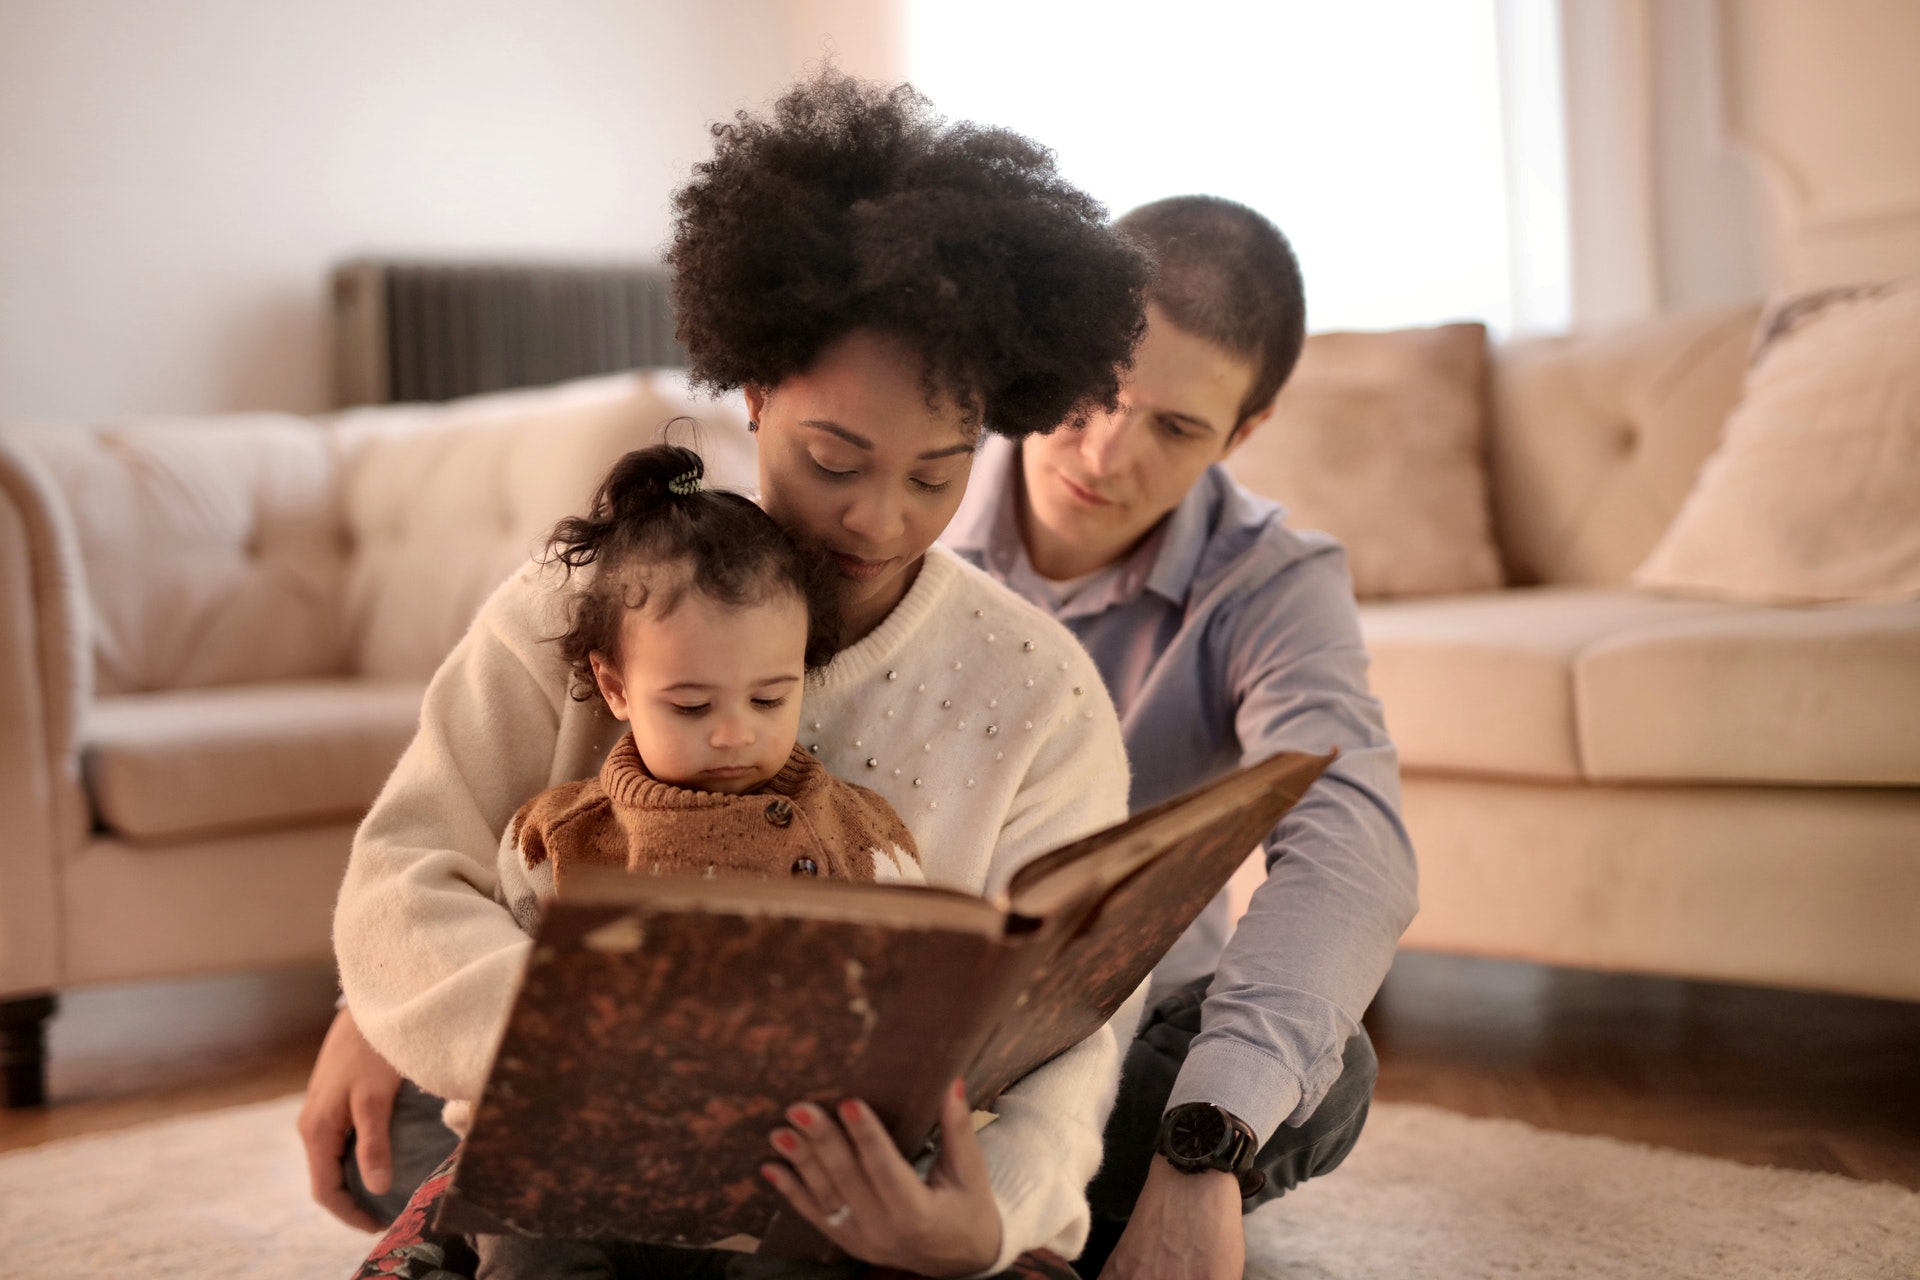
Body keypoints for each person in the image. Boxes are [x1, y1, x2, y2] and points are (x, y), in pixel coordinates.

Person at [309, 70, 1154, 1279]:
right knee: (385, 1128)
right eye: (834, 456)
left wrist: (998, 1214)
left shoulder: (1039, 687)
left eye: (936, 474)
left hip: (867, 1183)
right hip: (573, 1128)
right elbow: (402, 877)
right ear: (754, 392)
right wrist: (572, 1056)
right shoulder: (575, 608)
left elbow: (1074, 1017)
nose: (878, 519)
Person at [942, 195, 1420, 1280]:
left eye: (1176, 428)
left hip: (1113, 1046)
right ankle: (1011, 1219)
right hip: (888, 1031)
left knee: (1324, 1066)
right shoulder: (906, 488)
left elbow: (1357, 846)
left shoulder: (1269, 578)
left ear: (1242, 435)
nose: (1105, 455)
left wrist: (1201, 1146)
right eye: (1098, 390)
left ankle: (1044, 1205)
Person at [477, 442, 925, 1279]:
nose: (733, 732)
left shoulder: (858, 832)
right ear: (613, 688)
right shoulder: (560, 837)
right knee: (518, 1215)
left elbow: (916, 980)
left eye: (769, 698)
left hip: (772, 1164)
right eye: (690, 705)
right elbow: (506, 989)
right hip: (600, 1153)